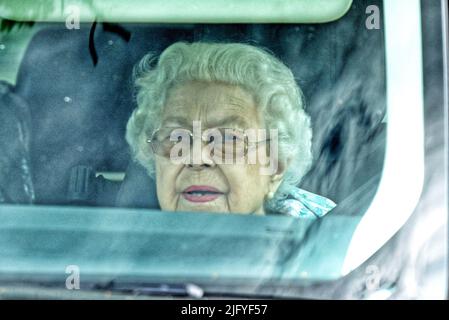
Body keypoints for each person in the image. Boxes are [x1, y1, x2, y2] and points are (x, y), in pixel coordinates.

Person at [126, 42, 335, 218]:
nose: (197, 158)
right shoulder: (116, 250)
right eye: (176, 138)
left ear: (276, 167)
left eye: (227, 139)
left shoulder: (330, 253)